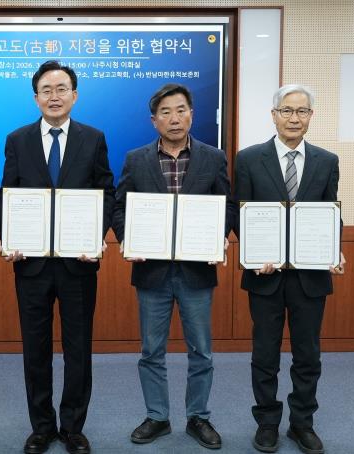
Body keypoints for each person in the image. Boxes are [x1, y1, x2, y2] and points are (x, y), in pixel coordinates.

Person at [112, 83, 236, 449]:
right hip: (152, 271)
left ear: (191, 115)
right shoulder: (136, 159)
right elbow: (120, 206)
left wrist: (217, 237)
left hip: (197, 271)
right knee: (151, 350)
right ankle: (157, 416)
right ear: (154, 121)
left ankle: (198, 417)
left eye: (181, 110)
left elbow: (227, 205)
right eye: (165, 112)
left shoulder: (213, 158)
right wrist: (128, 238)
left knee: (201, 351)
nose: (174, 118)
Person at [0, 60, 115, 454]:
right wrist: (10, 237)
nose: (54, 96)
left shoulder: (93, 138)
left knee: (78, 348)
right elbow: (9, 194)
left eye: (61, 88)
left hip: (77, 263)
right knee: (36, 349)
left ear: (74, 95)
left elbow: (106, 192)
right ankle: (42, 427)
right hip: (31, 264)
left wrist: (95, 235)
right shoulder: (17, 140)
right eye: (46, 90)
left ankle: (73, 428)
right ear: (36, 98)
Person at [234, 84, 345, 454]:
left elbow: (330, 213)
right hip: (264, 276)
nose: (294, 118)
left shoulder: (327, 161)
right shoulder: (249, 159)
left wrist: (335, 249)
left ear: (311, 116)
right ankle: (267, 423)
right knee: (265, 355)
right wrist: (253, 254)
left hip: (310, 277)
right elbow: (240, 213)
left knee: (307, 355)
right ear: (274, 115)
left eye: (302, 111)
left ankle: (302, 424)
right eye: (287, 110)